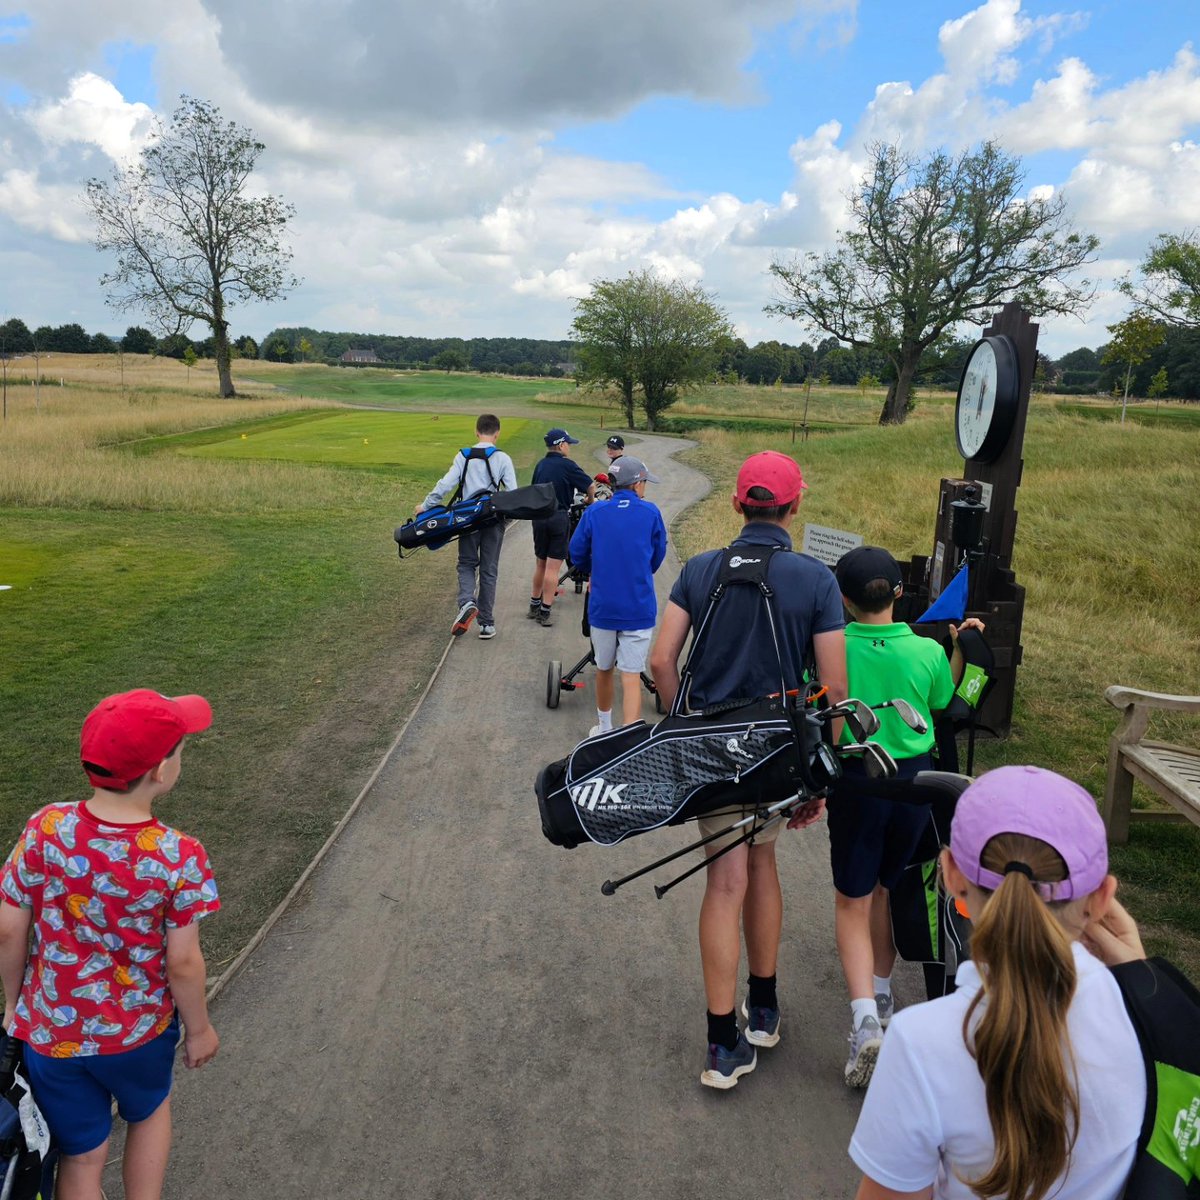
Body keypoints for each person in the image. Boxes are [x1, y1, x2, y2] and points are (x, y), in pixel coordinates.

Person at [849, 765, 1146, 1200]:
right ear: (1102, 898)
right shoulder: (1147, 1020)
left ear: (951, 874)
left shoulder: (920, 1043)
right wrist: (1146, 984)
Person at [650, 450, 848, 1089]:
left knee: (724, 882)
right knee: (762, 865)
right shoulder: (816, 580)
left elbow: (660, 661)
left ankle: (721, 1044)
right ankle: (762, 1009)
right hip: (778, 754)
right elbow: (836, 687)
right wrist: (820, 776)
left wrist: (679, 725)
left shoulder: (700, 569)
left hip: (712, 752)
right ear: (796, 504)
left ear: (738, 505)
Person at [0, 689, 222, 1200]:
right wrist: (199, 1030)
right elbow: (183, 962)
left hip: (51, 1034)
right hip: (137, 1036)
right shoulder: (179, 855)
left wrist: (15, 1005)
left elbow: (9, 928)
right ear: (161, 771)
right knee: (148, 1114)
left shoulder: (46, 827)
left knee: (81, 1156)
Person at [829, 545, 986, 1087]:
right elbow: (944, 702)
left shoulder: (833, 647)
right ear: (898, 592)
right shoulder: (927, 651)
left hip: (857, 782)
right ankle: (882, 992)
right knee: (887, 889)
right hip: (916, 787)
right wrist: (962, 646)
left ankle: (865, 1023)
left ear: (844, 600)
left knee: (851, 900)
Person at [568, 455, 667, 735]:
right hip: (638, 606)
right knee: (631, 674)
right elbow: (657, 555)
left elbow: (577, 552)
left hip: (604, 606)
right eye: (644, 482)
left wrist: (594, 570)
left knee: (604, 668)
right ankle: (629, 736)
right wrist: (640, 570)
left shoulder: (595, 512)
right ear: (636, 484)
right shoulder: (651, 513)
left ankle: (604, 728)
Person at [417, 414, 518, 640]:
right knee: (489, 570)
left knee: (466, 564)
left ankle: (466, 602)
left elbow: (445, 485)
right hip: (493, 520)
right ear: (497, 433)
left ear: (476, 431)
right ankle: (486, 624)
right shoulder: (503, 458)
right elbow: (512, 494)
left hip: (467, 520)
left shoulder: (463, 456)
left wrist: (425, 506)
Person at [528, 429, 595, 627]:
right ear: (561, 445)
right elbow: (590, 486)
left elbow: (533, 489)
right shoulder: (568, 465)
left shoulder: (541, 465)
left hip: (539, 518)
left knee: (541, 564)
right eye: (568, 444)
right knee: (553, 567)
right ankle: (545, 610)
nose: (569, 447)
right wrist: (590, 501)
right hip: (558, 517)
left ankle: (534, 604)